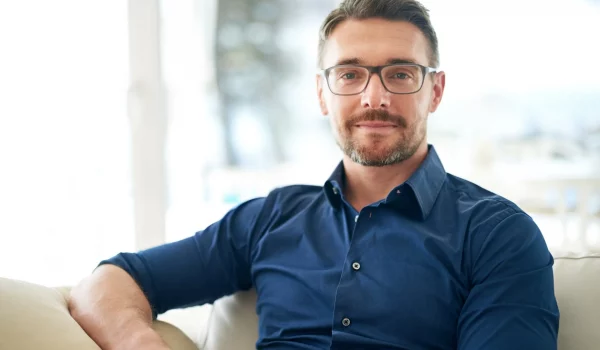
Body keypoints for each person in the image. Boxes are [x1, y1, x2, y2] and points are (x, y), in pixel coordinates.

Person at [68, 0, 560, 349]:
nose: (374, 98)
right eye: (349, 74)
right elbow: (109, 282)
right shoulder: (271, 218)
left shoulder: (497, 234)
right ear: (323, 94)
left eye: (401, 73)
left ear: (435, 91)